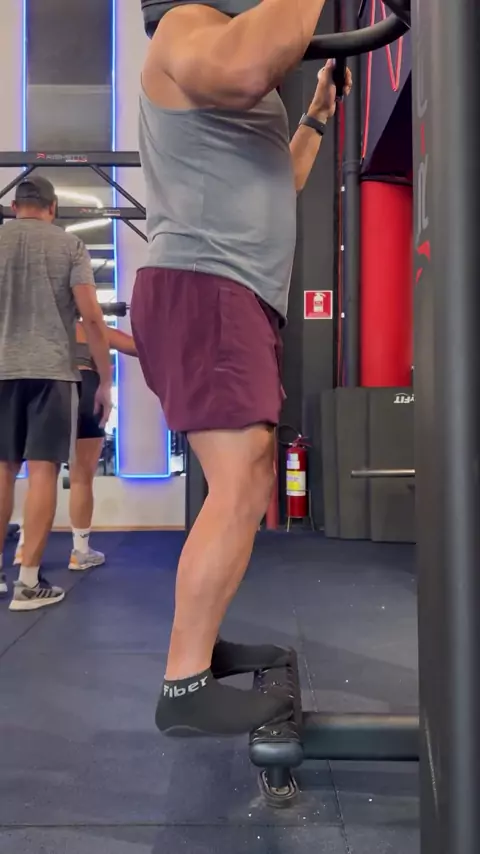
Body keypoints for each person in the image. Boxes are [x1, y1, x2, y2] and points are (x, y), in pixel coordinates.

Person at [130, 0, 353, 737]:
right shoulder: (184, 26)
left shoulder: (228, 78)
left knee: (248, 479)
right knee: (241, 480)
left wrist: (314, 116)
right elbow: (249, 62)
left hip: (228, 290)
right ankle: (184, 684)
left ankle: (201, 646)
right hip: (207, 283)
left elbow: (277, 182)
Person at [0, 175, 113, 611]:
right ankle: (28, 583)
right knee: (43, 471)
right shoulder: (70, 246)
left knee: (3, 470)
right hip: (52, 373)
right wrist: (105, 381)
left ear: (14, 207)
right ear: (52, 209)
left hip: (3, 371)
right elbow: (92, 318)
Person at [14, 322, 138, 571]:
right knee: (81, 479)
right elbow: (137, 346)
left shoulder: (35, 329)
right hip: (86, 388)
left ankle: (25, 550)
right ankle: (80, 553)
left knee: (40, 478)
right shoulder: (91, 328)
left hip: (48, 391)